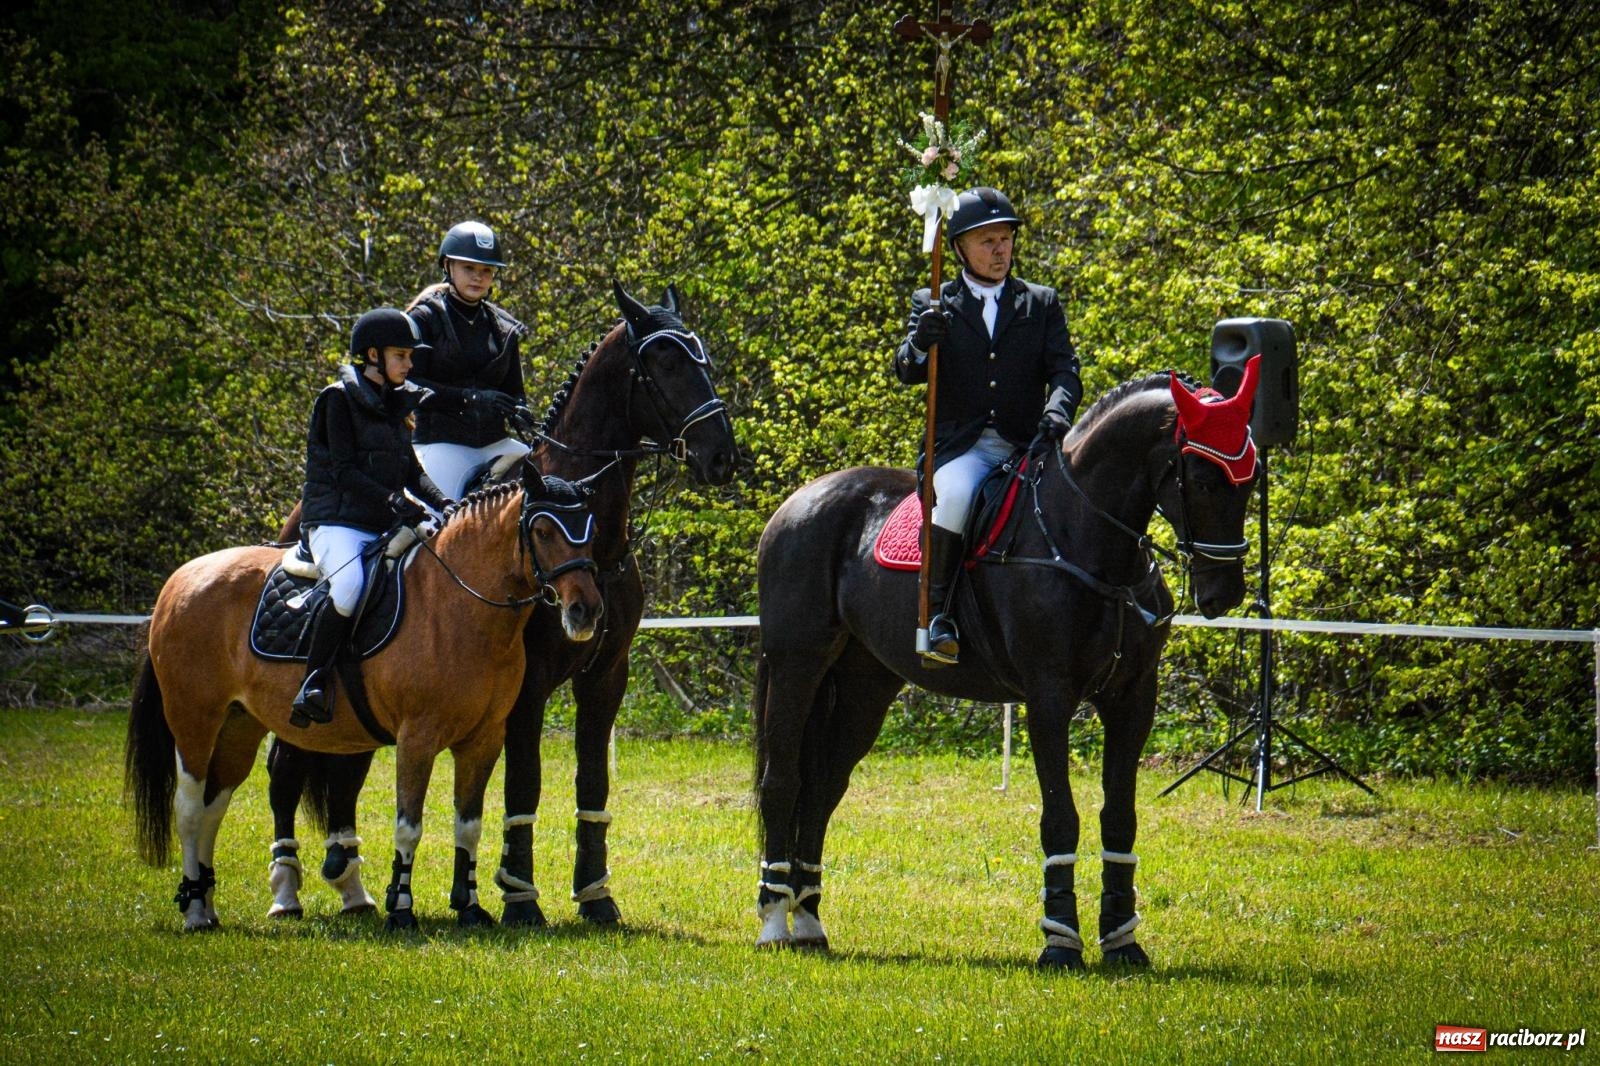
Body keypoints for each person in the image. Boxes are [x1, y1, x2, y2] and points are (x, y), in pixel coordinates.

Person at [892, 186, 1083, 665]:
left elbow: (1065, 370)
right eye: (988, 242)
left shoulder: (1040, 302)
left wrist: (1058, 412)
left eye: (1006, 240)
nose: (1001, 251)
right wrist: (920, 342)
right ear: (960, 247)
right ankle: (938, 615)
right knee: (956, 495)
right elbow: (907, 371)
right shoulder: (933, 301)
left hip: (1030, 444)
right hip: (964, 448)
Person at [293, 307, 451, 726]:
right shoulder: (337, 399)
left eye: (410, 356)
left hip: (380, 523)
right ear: (373, 355)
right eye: (401, 355)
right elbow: (343, 471)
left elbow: (413, 473)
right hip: (335, 522)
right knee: (349, 587)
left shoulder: (395, 404)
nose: (409, 364)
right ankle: (313, 681)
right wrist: (394, 502)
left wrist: (446, 503)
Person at [406, 220, 533, 501]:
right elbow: (410, 384)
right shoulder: (424, 318)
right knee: (431, 519)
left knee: (555, 488)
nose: (478, 277)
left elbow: (515, 390)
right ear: (448, 266)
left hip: (496, 443)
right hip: (442, 445)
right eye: (469, 268)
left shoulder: (504, 328)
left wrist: (520, 410)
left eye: (486, 270)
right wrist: (468, 398)